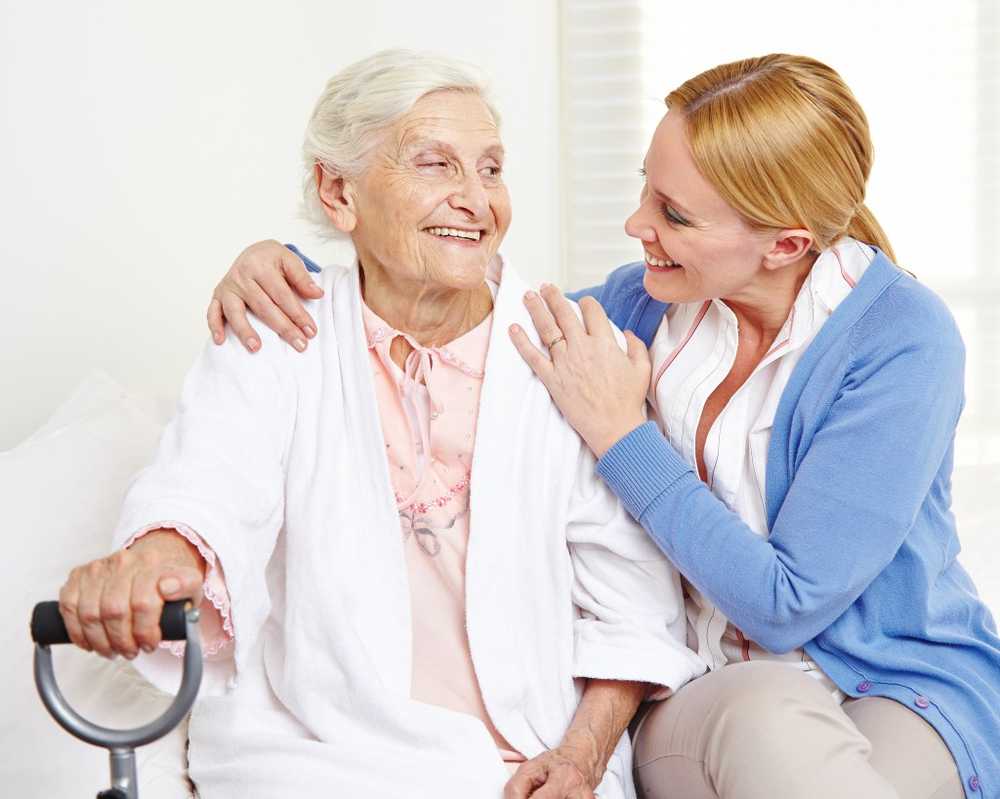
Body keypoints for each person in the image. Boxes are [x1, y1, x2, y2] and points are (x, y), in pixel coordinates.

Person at [212, 54, 1000, 799]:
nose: (635, 223)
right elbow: (455, 296)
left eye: (673, 213)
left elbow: (785, 603)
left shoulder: (900, 339)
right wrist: (285, 266)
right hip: (711, 693)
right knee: (767, 720)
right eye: (645, 190)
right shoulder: (642, 303)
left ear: (786, 245)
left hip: (896, 683)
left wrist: (623, 438)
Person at [55, 50, 707, 799]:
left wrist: (583, 756)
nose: (476, 199)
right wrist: (153, 558)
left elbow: (631, 602)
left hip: (530, 766)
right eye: (436, 165)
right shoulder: (275, 333)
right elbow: (209, 479)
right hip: (320, 758)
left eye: (491, 169)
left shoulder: (570, 354)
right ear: (339, 192)